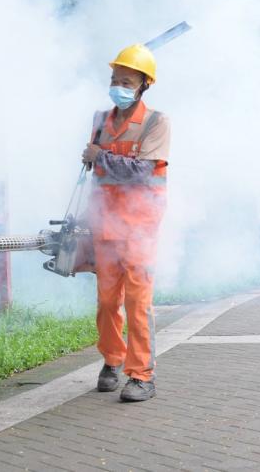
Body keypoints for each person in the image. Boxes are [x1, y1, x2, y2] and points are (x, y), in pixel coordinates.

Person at [81, 44, 170, 403]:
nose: (118, 85)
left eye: (127, 80)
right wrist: (92, 157)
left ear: (144, 85)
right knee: (106, 302)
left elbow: (142, 173)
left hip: (139, 228)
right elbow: (95, 167)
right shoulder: (100, 120)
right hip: (105, 225)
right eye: (115, 79)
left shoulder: (156, 122)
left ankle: (141, 375)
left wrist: (99, 156)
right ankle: (112, 362)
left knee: (137, 302)